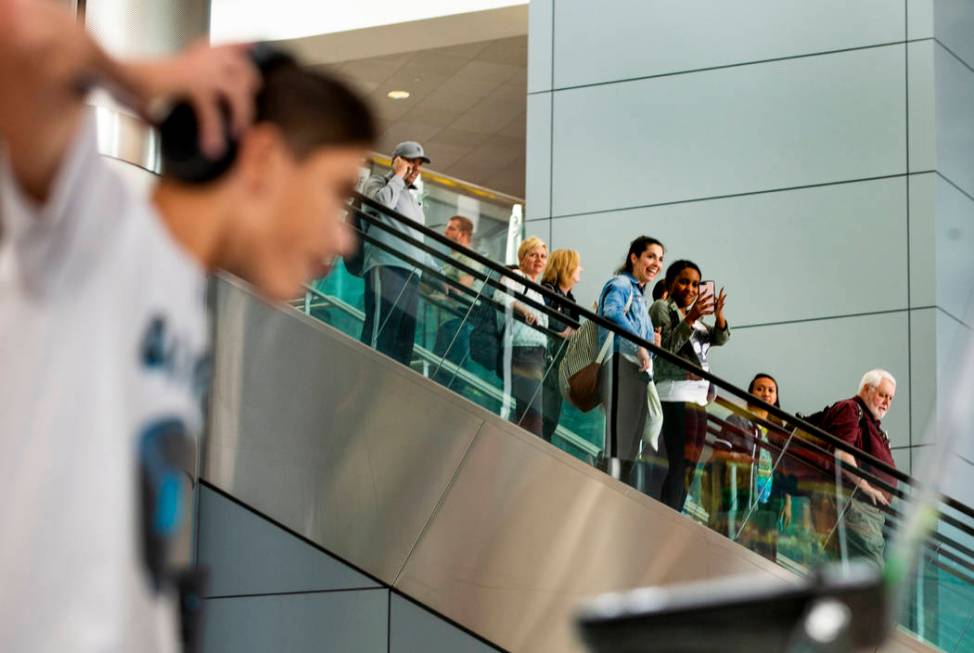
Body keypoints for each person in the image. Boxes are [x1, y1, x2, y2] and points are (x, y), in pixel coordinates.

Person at [0, 3, 374, 650]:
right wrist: (148, 78)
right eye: (338, 192)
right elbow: (23, 30)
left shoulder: (184, 310)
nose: (344, 240)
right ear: (261, 159)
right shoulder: (94, 231)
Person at [651, 260, 730, 512]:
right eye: (684, 281)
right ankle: (665, 513)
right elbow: (664, 350)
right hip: (674, 394)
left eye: (696, 284)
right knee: (679, 462)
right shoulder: (663, 307)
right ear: (671, 282)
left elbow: (719, 338)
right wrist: (692, 316)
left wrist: (717, 315)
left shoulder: (695, 319)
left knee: (690, 466)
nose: (690, 288)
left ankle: (673, 512)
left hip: (698, 400)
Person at [597, 236, 665, 495]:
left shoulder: (640, 295)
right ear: (634, 257)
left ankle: (616, 495)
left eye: (660, 259)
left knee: (629, 445)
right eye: (650, 256)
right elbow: (612, 313)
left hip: (635, 374)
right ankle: (608, 493)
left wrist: (650, 345)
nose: (656, 263)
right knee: (620, 442)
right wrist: (639, 345)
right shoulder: (621, 284)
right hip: (620, 368)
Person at [360, 140, 432, 366]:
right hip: (385, 266)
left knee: (403, 341)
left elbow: (417, 242)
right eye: (411, 162)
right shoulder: (378, 183)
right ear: (398, 162)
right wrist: (398, 175)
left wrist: (439, 275)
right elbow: (381, 204)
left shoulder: (413, 200)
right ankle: (367, 375)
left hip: (412, 274)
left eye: (419, 165)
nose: (416, 169)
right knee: (381, 332)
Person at [816, 369, 897, 567]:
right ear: (867, 390)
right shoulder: (851, 408)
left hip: (868, 511)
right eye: (882, 395)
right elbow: (841, 453)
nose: (887, 402)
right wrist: (866, 487)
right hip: (854, 504)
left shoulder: (872, 423)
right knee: (872, 572)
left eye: (891, 398)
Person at [715, 374, 792, 560]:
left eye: (771, 390)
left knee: (761, 556)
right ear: (751, 393)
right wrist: (737, 458)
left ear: (776, 398)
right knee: (730, 548)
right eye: (760, 389)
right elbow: (717, 453)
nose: (766, 393)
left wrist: (788, 502)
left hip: (767, 504)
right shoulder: (737, 420)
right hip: (738, 496)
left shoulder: (778, 433)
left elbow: (783, 471)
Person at [496, 236, 549, 436]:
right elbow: (501, 296)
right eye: (533, 254)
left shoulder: (537, 288)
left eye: (543, 256)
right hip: (521, 349)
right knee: (532, 413)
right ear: (522, 257)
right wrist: (523, 310)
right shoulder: (516, 275)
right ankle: (529, 453)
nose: (539, 259)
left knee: (530, 411)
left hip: (535, 354)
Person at [431, 215, 484, 386]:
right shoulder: (455, 257)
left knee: (448, 373)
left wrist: (439, 294)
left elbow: (462, 288)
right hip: (449, 320)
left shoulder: (468, 257)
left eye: (451, 228)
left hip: (459, 320)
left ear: (463, 234)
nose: (445, 232)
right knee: (441, 370)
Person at [540, 248, 582, 442]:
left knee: (550, 420)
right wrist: (571, 332)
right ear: (566, 267)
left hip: (558, 367)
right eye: (577, 265)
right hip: (545, 364)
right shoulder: (548, 292)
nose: (581, 269)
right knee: (542, 418)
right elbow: (547, 320)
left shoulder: (568, 300)